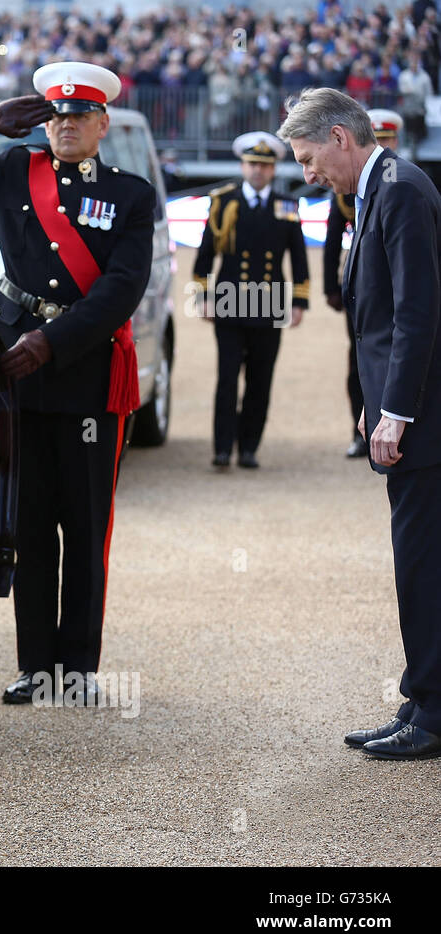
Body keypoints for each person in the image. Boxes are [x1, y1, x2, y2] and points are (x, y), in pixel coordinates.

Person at [0, 62, 156, 706]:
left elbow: (121, 290)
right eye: (56, 115)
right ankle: (36, 665)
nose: (65, 125)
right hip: (15, 374)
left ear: (101, 124)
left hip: (82, 372)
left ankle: (79, 667)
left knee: (84, 526)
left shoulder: (131, 195)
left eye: (79, 116)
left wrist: (52, 342)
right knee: (27, 524)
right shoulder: (11, 172)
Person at [281, 87, 441, 760]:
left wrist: (395, 411)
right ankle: (422, 694)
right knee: (420, 560)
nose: (309, 174)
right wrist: (375, 402)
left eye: (311, 158)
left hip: (426, 420)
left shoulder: (399, 190)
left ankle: (432, 713)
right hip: (410, 410)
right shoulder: (377, 190)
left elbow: (415, 313)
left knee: (423, 563)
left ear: (341, 138)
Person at [192, 131, 310, 469]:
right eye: (252, 164)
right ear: (243, 166)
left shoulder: (286, 206)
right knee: (227, 377)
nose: (257, 170)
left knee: (261, 378)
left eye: (264, 165)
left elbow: (298, 257)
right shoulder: (223, 201)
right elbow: (206, 254)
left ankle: (249, 447)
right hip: (229, 302)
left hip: (269, 304)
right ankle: (222, 448)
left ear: (273, 169)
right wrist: (203, 295)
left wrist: (299, 301)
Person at [323, 109, 403, 459]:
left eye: (388, 140)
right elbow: (331, 238)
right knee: (361, 358)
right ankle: (364, 431)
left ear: (396, 141)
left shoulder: (409, 181)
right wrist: (330, 286)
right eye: (378, 139)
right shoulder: (350, 185)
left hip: (397, 283)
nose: (383, 147)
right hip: (364, 288)